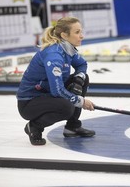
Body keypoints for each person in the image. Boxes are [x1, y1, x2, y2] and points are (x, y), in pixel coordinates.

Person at [17, 17, 95, 146]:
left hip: (47, 94)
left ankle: (72, 126)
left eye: (81, 32)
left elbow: (82, 65)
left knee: (83, 79)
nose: (81, 36)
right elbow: (57, 91)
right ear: (64, 35)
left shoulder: (67, 49)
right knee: (66, 107)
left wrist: (78, 79)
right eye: (77, 32)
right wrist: (81, 101)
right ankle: (34, 127)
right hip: (30, 103)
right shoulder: (54, 55)